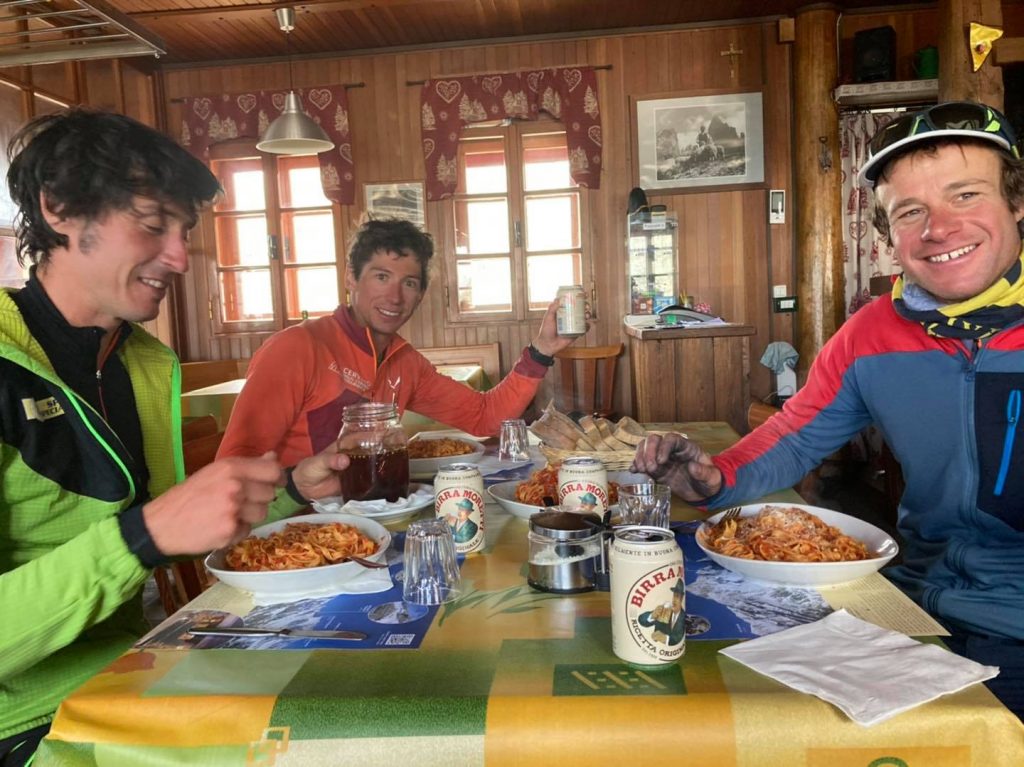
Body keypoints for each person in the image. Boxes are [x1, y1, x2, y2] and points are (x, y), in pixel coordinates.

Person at [633, 100, 1024, 718]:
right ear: (888, 234)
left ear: (1017, 203)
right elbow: (794, 435)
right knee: (708, 705)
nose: (939, 229)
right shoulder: (872, 333)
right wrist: (715, 478)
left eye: (966, 196)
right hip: (914, 605)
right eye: (910, 211)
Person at [0, 110, 348, 765]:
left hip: (138, 671)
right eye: (154, 224)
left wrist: (291, 492)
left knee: (354, 702)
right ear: (59, 208)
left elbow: (167, 528)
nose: (181, 257)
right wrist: (142, 534)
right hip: (31, 721)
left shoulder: (138, 361)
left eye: (184, 231)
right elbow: (145, 536)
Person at [217, 218, 579, 467]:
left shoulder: (405, 363)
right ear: (350, 279)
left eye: (408, 283)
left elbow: (484, 418)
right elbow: (236, 463)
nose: (394, 297)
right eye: (381, 276)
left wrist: (541, 351)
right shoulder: (296, 348)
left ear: (420, 294)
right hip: (299, 531)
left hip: (378, 519)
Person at [638, 579, 686, 646]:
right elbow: (641, 619)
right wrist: (652, 615)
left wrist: (665, 638)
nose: (674, 600)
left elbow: (678, 638)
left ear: (682, 599)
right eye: (674, 596)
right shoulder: (666, 611)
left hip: (669, 651)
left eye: (677, 596)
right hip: (655, 647)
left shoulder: (683, 616)